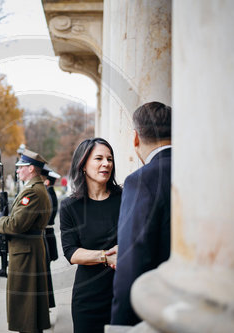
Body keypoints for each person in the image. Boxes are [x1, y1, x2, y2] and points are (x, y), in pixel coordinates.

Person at [110, 101, 172, 325]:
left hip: (158, 310)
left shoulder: (141, 180)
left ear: (135, 138)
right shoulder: (200, 172)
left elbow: (133, 260)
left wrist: (120, 325)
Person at [60, 138, 122, 333]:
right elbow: (71, 253)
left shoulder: (126, 198)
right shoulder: (70, 206)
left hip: (121, 293)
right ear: (83, 165)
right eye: (99, 158)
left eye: (110, 159)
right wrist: (105, 255)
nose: (106, 163)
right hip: (88, 298)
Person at [0, 149, 51, 332]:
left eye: (21, 167)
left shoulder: (33, 193)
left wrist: (0, 221)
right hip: (27, 250)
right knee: (28, 303)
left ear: (32, 169)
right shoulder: (33, 189)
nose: (17, 171)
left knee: (26, 305)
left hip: (26, 252)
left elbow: (16, 224)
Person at [41, 165, 61, 310]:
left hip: (46, 235)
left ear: (47, 182)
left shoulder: (47, 194)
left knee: (45, 275)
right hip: (48, 234)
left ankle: (46, 304)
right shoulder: (50, 192)